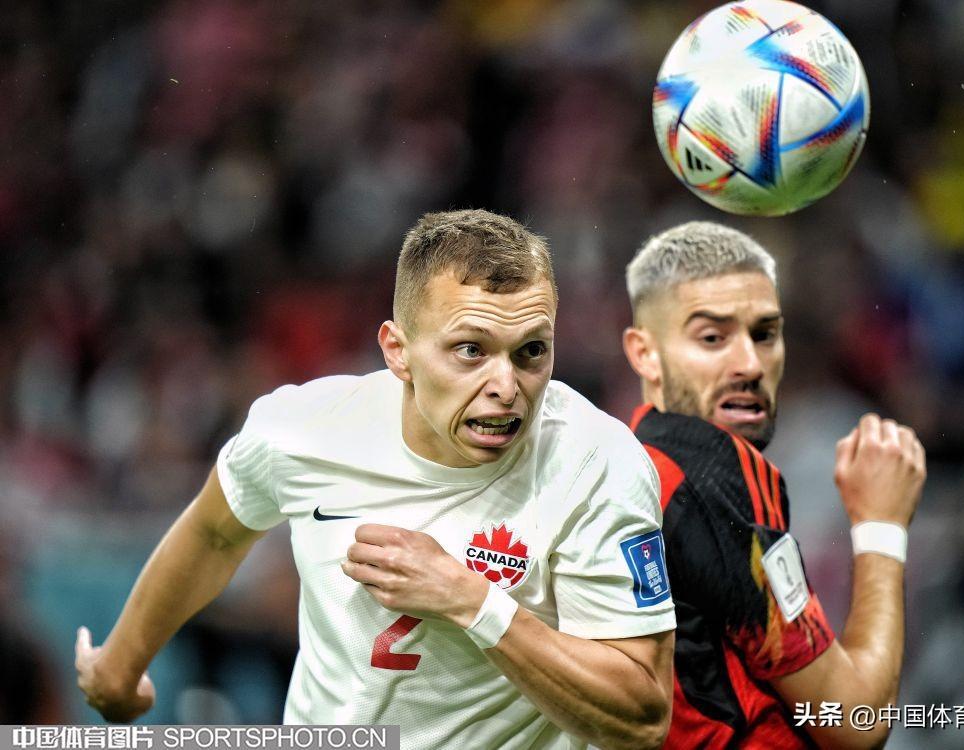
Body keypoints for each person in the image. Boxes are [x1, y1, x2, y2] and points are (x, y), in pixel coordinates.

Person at [76, 209, 676, 750]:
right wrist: (118, 668)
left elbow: (642, 718)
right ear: (398, 351)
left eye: (531, 352)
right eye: (471, 350)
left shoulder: (596, 464)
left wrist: (473, 602)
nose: (506, 386)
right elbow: (214, 534)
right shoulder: (304, 429)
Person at [621, 222, 925, 748]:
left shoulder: (630, 462)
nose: (750, 365)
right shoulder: (712, 473)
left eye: (764, 334)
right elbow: (854, 722)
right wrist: (881, 524)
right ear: (645, 353)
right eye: (712, 338)